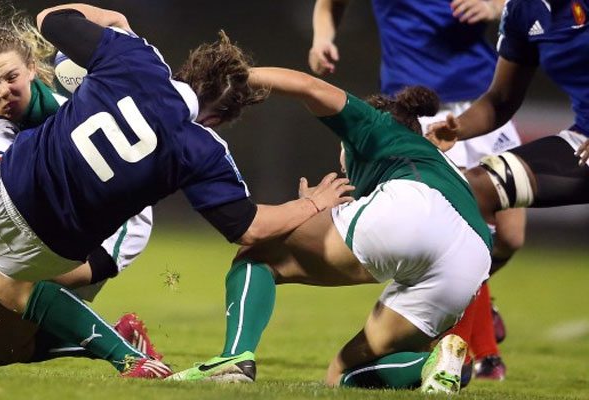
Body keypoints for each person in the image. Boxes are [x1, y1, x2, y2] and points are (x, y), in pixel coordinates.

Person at [0, 3, 354, 378]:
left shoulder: (137, 61)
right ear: (220, 121)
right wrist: (312, 203)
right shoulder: (202, 147)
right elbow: (251, 228)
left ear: (185, 69)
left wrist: (115, 20)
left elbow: (51, 18)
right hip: (46, 252)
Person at [169, 67, 491, 395]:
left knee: (259, 254)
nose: (341, 158)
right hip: (474, 255)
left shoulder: (377, 123)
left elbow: (308, 86)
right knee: (344, 372)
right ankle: (433, 363)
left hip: (415, 207)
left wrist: (235, 74)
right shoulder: (431, 159)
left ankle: (233, 359)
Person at [0, 10, 161, 366]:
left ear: (32, 70)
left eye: (12, 78)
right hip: (35, 204)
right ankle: (119, 333)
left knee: (10, 284)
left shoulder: (60, 122)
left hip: (108, 226)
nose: (3, 90)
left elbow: (98, 249)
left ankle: (131, 362)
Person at [308, 0, 523, 380]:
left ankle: (474, 305)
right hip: (416, 109)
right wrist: (323, 38)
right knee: (464, 222)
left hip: (483, 101)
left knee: (509, 237)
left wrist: (495, 6)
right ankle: (475, 351)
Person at [427, 0, 589, 216]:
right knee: (478, 188)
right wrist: (458, 128)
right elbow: (501, 100)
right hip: (583, 141)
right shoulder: (523, 9)